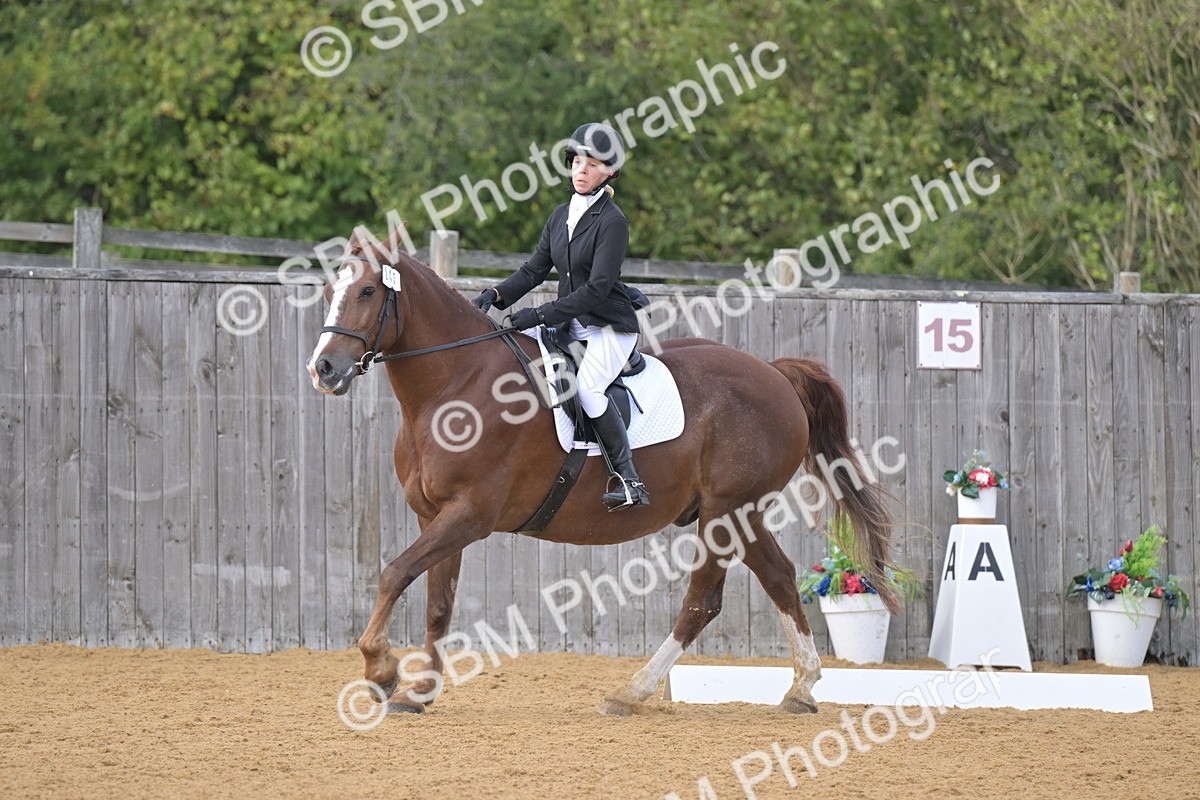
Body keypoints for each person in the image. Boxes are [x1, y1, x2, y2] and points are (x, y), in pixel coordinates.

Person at [472, 122, 650, 511]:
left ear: (609, 172)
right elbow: (534, 270)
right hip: (568, 326)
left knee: (588, 389)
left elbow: (596, 289)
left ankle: (629, 479)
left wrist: (538, 314)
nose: (581, 170)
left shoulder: (613, 221)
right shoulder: (560, 215)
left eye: (592, 164)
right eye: (577, 162)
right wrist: (496, 294)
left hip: (608, 328)